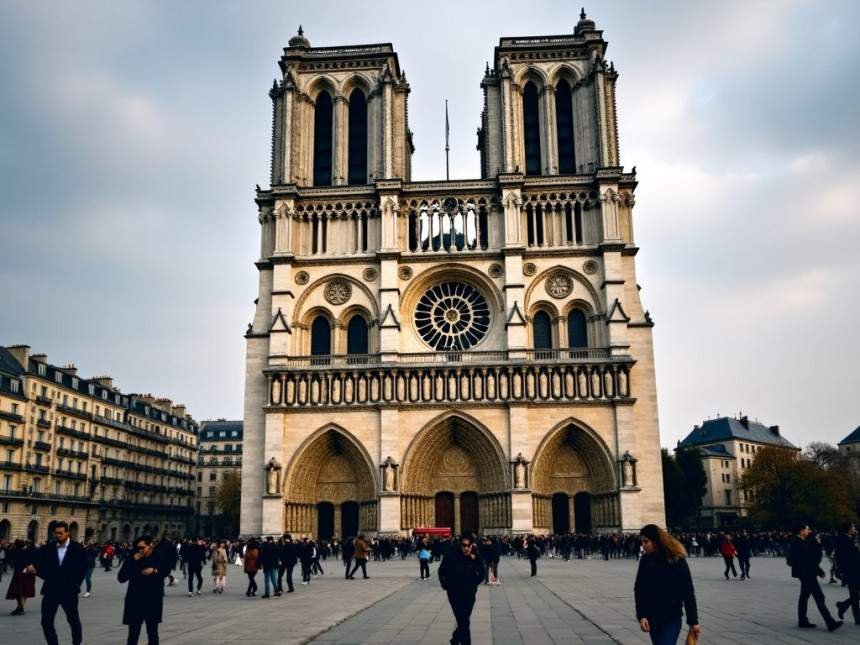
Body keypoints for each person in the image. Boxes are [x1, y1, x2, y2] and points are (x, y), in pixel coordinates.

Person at [634, 524, 701, 645]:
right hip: (652, 617)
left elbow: (688, 592)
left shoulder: (677, 560)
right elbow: (639, 590)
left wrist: (693, 621)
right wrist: (642, 615)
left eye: (646, 541)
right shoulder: (645, 560)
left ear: (656, 541)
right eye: (642, 542)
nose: (643, 545)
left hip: (671, 617)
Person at [26, 521, 88, 645]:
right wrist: (35, 569)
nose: (58, 535)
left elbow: (84, 567)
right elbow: (40, 564)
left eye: (60, 533)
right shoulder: (48, 548)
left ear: (67, 533)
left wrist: (77, 584)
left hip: (69, 590)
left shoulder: (77, 548)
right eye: (56, 533)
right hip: (51, 590)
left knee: (73, 619)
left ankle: (77, 642)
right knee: (46, 621)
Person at [789, 524, 842, 631]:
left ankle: (802, 620)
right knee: (819, 597)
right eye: (807, 530)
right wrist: (818, 570)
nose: (809, 531)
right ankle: (830, 622)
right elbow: (807, 559)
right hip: (807, 574)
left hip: (806, 573)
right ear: (801, 531)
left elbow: (810, 558)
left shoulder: (801, 541)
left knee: (804, 596)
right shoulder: (797, 543)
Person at [118, 535, 169, 645]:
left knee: (152, 633)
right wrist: (132, 561)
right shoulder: (133, 557)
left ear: (150, 545)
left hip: (152, 599)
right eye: (138, 548)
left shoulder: (158, 556)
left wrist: (154, 570)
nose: (140, 550)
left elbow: (165, 571)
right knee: (133, 634)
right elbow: (121, 578)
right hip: (135, 599)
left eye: (143, 547)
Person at [438, 536, 484, 645]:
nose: (466, 548)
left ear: (472, 545)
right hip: (455, 595)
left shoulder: (475, 557)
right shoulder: (451, 556)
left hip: (469, 594)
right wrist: (446, 585)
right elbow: (441, 571)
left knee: (464, 621)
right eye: (464, 545)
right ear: (460, 545)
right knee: (464, 622)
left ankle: (455, 639)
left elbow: (482, 572)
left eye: (468, 545)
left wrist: (474, 584)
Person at [834, 522, 859, 625]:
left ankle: (843, 605)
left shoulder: (849, 538)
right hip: (851, 570)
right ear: (848, 529)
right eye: (853, 526)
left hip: (855, 569)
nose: (854, 528)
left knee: (854, 595)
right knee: (854, 594)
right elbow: (842, 556)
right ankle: (857, 618)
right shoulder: (843, 539)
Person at [5, 539, 36, 615]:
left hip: (19, 573)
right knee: (25, 591)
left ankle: (20, 607)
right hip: (28, 573)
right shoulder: (29, 551)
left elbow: (11, 560)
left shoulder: (15, 552)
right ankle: (21, 606)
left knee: (19, 591)